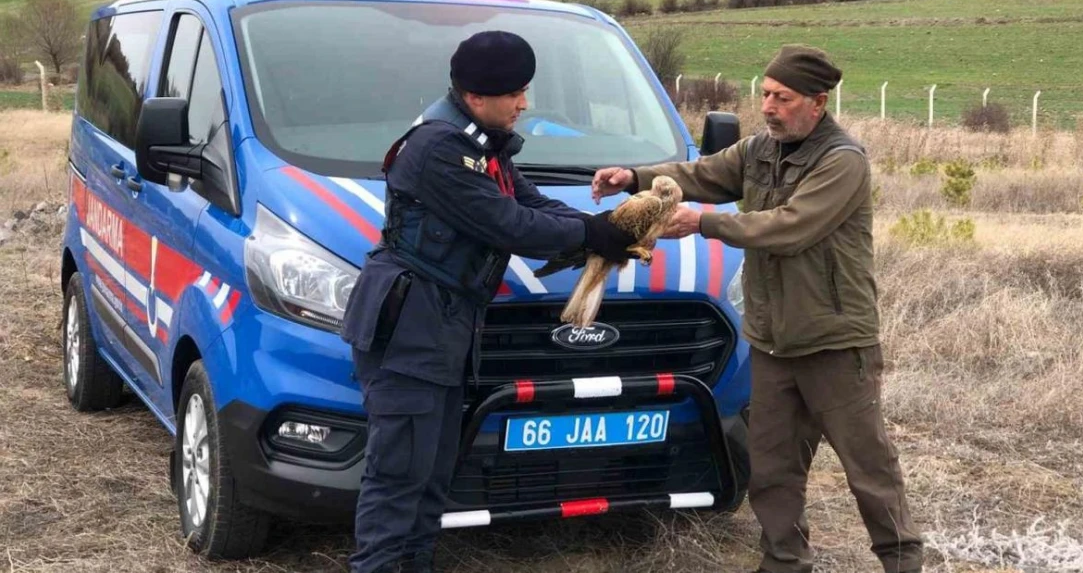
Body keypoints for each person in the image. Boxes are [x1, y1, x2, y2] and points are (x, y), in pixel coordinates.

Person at [591, 44, 923, 573]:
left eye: (782, 98)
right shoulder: (758, 150)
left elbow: (790, 227)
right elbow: (701, 173)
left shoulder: (842, 161)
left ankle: (903, 561)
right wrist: (632, 177)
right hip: (771, 339)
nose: (768, 106)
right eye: (764, 94)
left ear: (818, 102)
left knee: (869, 469)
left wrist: (704, 223)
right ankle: (784, 562)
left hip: (835, 342)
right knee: (771, 469)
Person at [339, 30, 636, 573]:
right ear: (477, 96)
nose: (526, 104)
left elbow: (532, 203)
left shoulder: (479, 144)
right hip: (413, 332)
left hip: (444, 331)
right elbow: (510, 225)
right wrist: (593, 236)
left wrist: (609, 228)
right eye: (516, 93)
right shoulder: (438, 150)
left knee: (431, 481)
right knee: (399, 480)